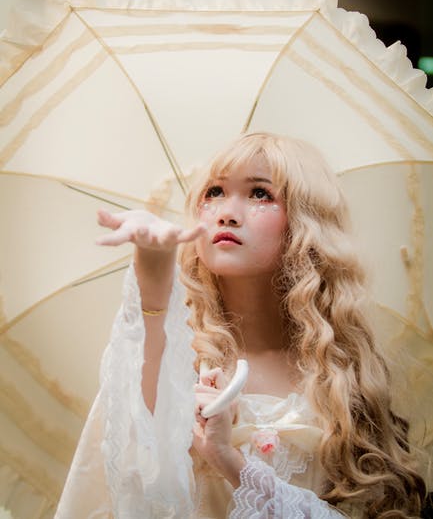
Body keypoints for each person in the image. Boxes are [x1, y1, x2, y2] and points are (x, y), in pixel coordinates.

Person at [55, 132, 425, 518]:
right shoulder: (173, 359)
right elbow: (128, 482)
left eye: (260, 194)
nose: (227, 213)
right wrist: (153, 275)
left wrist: (228, 460)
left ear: (307, 223)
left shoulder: (344, 375)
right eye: (214, 192)